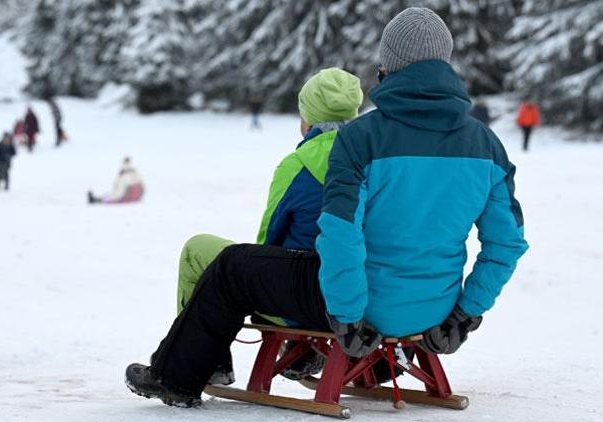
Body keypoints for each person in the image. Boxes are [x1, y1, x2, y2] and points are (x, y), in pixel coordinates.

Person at [125, 7, 528, 409]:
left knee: (233, 265)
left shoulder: (361, 138)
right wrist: (465, 314)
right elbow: (506, 244)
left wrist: (348, 316)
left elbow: (340, 235)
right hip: (435, 310)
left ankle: (173, 378)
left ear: (389, 64)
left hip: (360, 308)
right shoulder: (485, 145)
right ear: (446, 62)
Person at [176, 68, 364, 385]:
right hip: (360, 294)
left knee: (198, 251)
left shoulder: (299, 165)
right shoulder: (373, 160)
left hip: (302, 300)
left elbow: (269, 241)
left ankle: (208, 361)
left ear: (309, 117)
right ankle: (301, 348)